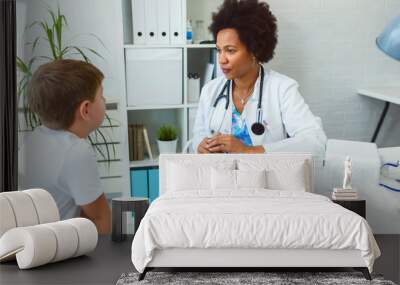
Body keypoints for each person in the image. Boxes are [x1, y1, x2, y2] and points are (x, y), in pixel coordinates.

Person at [192, 0, 327, 157]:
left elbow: (315, 142)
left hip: (268, 179)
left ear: (254, 51)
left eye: (230, 51)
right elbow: (197, 136)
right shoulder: (210, 91)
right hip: (220, 178)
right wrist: (200, 147)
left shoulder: (282, 90)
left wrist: (249, 151)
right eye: (219, 50)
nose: (221, 59)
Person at [19, 59, 111, 234]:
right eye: (101, 95)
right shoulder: (76, 151)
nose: (104, 99)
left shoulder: (34, 139)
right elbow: (101, 218)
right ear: (85, 109)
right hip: (59, 249)